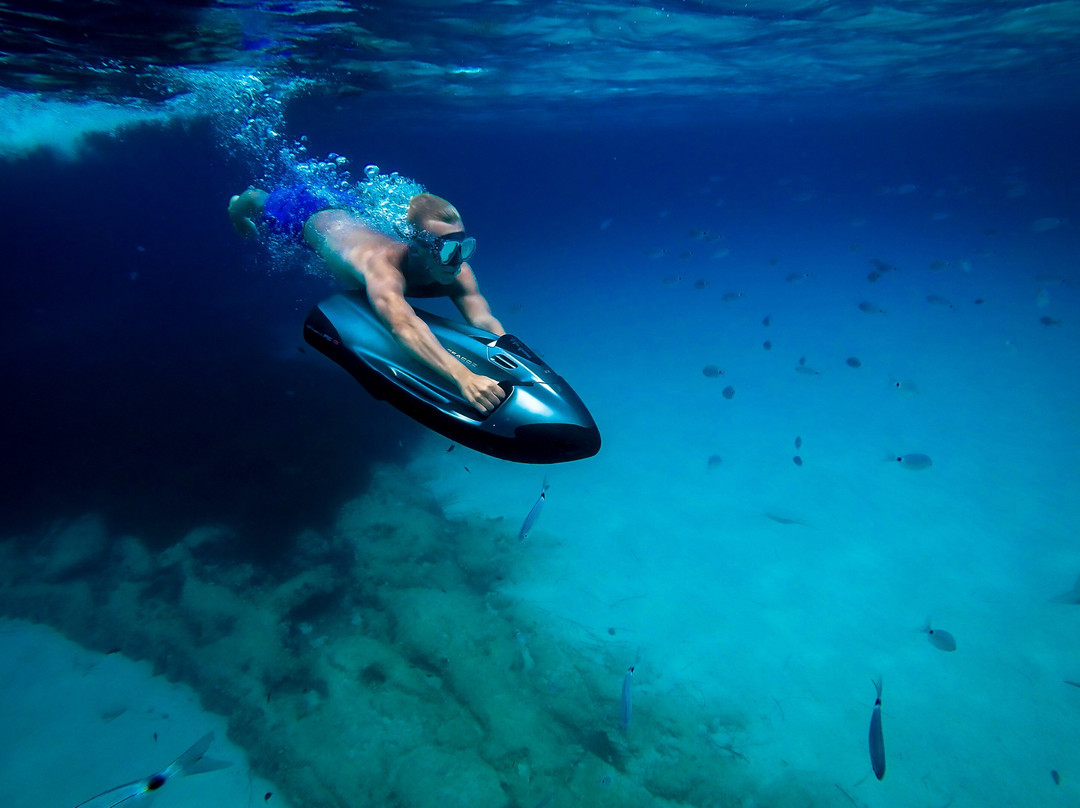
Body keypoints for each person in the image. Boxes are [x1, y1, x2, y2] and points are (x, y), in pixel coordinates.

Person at [228, 183, 507, 414]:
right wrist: (463, 377)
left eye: (464, 246)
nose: (457, 260)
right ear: (417, 248)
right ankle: (236, 206)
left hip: (348, 210)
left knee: (331, 196)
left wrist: (510, 350)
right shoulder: (382, 269)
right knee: (258, 200)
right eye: (447, 249)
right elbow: (404, 326)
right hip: (304, 218)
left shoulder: (457, 268)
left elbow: (482, 318)